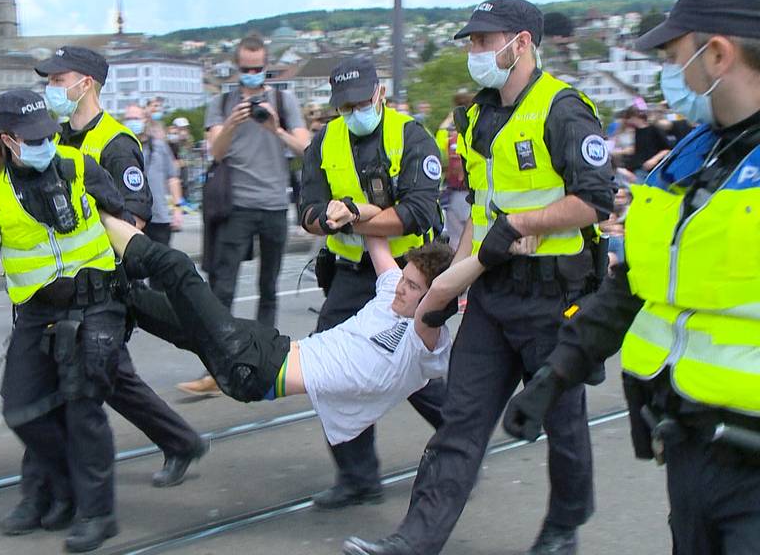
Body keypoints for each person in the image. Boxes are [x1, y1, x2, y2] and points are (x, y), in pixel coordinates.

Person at [344, 0, 614, 555]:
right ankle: (414, 541)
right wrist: (453, 282)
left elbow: (594, 200)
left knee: (561, 425)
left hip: (554, 297)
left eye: (483, 41)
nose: (473, 51)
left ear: (520, 44)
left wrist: (522, 224)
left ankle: (564, 526)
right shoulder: (476, 117)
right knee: (459, 424)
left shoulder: (564, 109)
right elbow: (481, 214)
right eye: (470, 41)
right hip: (493, 293)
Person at [504, 0, 760, 553]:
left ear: (717, 54)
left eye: (675, 57)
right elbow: (635, 287)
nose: (673, 76)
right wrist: (554, 376)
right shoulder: (697, 158)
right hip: (692, 448)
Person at [103, 215, 536, 437]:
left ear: (433, 297)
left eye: (413, 287)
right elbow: (376, 239)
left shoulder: (426, 339)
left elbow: (448, 281)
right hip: (265, 345)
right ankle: (94, 278)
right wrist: (354, 207)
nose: (402, 289)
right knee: (151, 306)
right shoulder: (391, 291)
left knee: (177, 269)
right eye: (404, 280)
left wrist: (487, 218)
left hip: (254, 370)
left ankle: (93, 213)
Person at [0, 89, 129, 552]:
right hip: (38, 314)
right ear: (9, 140)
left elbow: (124, 217)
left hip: (96, 304)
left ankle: (98, 513)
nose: (46, 143)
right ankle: (60, 487)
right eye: (34, 138)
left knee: (83, 409)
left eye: (48, 133)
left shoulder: (78, 164)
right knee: (21, 410)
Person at [34, 46, 208, 497]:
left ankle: (62, 485)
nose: (51, 88)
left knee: (86, 377)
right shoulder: (51, 138)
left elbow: (136, 216)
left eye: (57, 80)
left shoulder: (115, 143)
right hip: (63, 284)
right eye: (49, 81)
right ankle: (180, 441)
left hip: (104, 285)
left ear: (84, 83)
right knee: (108, 376)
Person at [298, 56, 447, 510]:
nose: (355, 111)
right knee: (331, 370)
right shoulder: (324, 143)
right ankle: (358, 477)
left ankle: (458, 452)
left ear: (380, 94)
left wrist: (356, 218)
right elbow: (307, 210)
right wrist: (324, 218)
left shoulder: (412, 136)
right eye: (346, 106)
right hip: (349, 275)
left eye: (363, 102)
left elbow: (419, 211)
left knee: (418, 372)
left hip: (410, 271)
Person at [177, 33, 310, 396]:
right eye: (245, 69)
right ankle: (220, 365)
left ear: (267, 68)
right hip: (236, 206)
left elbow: (306, 147)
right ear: (236, 69)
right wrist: (234, 123)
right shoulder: (222, 103)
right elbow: (216, 153)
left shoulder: (283, 100)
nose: (252, 75)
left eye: (258, 69)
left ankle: (262, 363)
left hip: (274, 205)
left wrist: (276, 128)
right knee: (223, 288)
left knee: (268, 287)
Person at [124, 104, 183, 247]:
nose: (132, 122)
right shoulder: (120, 147)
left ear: (145, 120)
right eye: (129, 118)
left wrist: (177, 208)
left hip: (158, 217)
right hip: (130, 220)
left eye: (136, 118)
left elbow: (172, 178)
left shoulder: (159, 146)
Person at [435, 92, 475, 251]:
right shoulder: (477, 133)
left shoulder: (451, 138)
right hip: (475, 194)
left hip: (456, 194)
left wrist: (446, 122)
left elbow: (438, 149)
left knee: (456, 242)